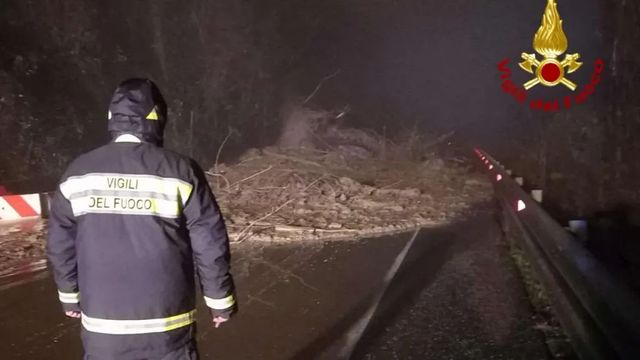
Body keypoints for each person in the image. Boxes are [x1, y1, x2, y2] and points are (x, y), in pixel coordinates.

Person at [47, 78, 236, 360]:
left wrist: (69, 295)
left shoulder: (78, 171)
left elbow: (60, 243)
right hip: (168, 323)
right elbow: (209, 240)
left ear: (112, 118)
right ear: (158, 118)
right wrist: (219, 301)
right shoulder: (180, 170)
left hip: (102, 327)